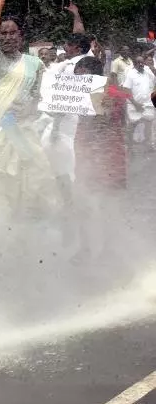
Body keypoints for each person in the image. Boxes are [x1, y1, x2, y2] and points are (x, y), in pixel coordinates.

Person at [0, 0, 58, 228]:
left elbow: (38, 99)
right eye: (3, 33)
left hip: (20, 129)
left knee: (25, 174)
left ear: (21, 36)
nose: (7, 37)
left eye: (12, 33)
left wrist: (26, 111)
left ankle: (19, 225)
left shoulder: (34, 64)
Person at [72, 56, 128, 261]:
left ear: (94, 75)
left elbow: (118, 118)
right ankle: (85, 247)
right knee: (82, 201)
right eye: (76, 76)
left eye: (81, 75)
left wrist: (102, 101)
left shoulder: (114, 93)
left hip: (109, 155)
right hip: (84, 152)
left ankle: (109, 250)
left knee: (108, 204)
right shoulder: (75, 94)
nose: (77, 80)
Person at [122, 56, 156, 147]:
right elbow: (126, 90)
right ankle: (129, 144)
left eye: (142, 62)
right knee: (132, 124)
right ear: (134, 64)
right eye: (138, 62)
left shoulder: (148, 73)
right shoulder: (131, 74)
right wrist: (135, 103)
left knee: (148, 123)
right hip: (134, 105)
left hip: (147, 104)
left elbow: (153, 83)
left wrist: (152, 69)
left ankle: (147, 144)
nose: (141, 64)